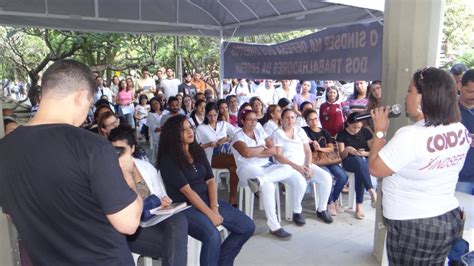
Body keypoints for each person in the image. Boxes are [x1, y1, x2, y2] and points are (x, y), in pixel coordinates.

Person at [0, 60, 143, 265]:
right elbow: (129, 223)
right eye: (89, 105)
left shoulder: (4, 150)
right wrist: (127, 172)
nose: (87, 115)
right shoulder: (92, 146)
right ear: (80, 97)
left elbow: (12, 214)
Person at [368, 67, 470, 265]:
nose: (406, 97)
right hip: (448, 217)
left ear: (424, 97)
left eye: (410, 91)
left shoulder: (411, 136)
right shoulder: (459, 129)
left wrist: (379, 132)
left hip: (414, 224)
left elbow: (375, 168)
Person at [158, 115, 255, 266]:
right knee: (212, 235)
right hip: (185, 207)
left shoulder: (197, 150)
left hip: (206, 199)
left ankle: (223, 262)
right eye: (184, 130)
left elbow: (210, 180)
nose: (190, 131)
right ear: (173, 135)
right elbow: (188, 192)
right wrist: (210, 214)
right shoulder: (168, 159)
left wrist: (214, 208)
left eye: (190, 127)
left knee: (247, 226)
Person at [109, 126, 188, 266]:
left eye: (122, 150)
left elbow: (160, 193)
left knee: (179, 220)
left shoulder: (145, 166)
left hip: (154, 218)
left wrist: (164, 200)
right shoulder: (108, 173)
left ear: (132, 148)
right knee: (174, 245)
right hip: (131, 229)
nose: (118, 155)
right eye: (114, 151)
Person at [231, 110, 305, 239]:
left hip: (265, 168)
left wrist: (258, 151)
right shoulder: (238, 136)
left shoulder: (260, 132)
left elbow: (275, 150)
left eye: (255, 119)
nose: (253, 122)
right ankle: (274, 226)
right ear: (242, 121)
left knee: (288, 169)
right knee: (269, 186)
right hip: (247, 168)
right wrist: (262, 149)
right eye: (250, 119)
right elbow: (246, 153)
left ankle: (260, 180)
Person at [273, 109, 334, 223]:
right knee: (301, 182)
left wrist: (308, 166)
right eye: (287, 117)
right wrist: (299, 168)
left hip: (304, 164)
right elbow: (279, 156)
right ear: (281, 119)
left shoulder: (300, 131)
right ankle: (297, 211)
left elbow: (307, 151)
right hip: (287, 167)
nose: (290, 120)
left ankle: (322, 209)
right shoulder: (278, 133)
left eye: (292, 117)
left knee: (326, 178)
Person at [302, 109, 347, 216]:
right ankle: (330, 203)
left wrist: (320, 149)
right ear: (307, 122)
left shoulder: (324, 132)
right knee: (327, 177)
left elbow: (331, 148)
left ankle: (334, 199)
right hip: (314, 162)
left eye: (315, 119)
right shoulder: (304, 131)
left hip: (327, 159)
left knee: (343, 177)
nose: (313, 122)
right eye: (310, 120)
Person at [336, 112, 377, 219]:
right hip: (349, 161)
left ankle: (359, 205)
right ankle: (370, 190)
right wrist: (347, 150)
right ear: (348, 124)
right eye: (354, 127)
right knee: (359, 163)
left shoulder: (365, 132)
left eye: (359, 127)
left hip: (364, 160)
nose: (357, 130)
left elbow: (373, 150)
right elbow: (341, 156)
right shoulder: (342, 134)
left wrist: (365, 153)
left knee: (361, 167)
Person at [195, 103, 238, 205]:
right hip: (212, 157)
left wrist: (227, 138)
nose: (213, 118)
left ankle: (233, 198)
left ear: (218, 114)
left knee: (234, 167)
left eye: (215, 115)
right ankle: (232, 198)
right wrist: (209, 144)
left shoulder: (223, 124)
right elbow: (195, 148)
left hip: (226, 154)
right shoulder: (201, 128)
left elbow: (237, 133)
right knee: (236, 162)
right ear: (206, 115)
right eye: (210, 116)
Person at [457, 69, 474, 194]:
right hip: (460, 177)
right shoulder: (448, 109)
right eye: (470, 92)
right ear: (460, 86)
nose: (473, 96)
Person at [147, 97, 163, 165]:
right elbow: (154, 128)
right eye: (153, 105)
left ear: (160, 103)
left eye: (156, 103)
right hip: (156, 137)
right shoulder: (150, 115)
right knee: (157, 155)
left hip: (167, 136)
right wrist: (165, 128)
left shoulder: (165, 112)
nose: (155, 106)